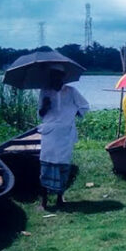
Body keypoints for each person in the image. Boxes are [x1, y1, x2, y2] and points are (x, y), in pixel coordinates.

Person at [37, 64, 90, 210]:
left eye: (58, 76)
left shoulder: (71, 91)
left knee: (63, 166)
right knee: (46, 164)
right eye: (52, 76)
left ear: (63, 77)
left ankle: (60, 198)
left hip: (65, 134)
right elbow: (40, 114)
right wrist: (45, 106)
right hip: (49, 134)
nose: (55, 78)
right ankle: (44, 201)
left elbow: (84, 107)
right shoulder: (44, 91)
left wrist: (72, 115)